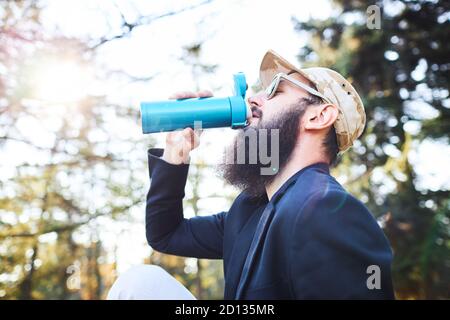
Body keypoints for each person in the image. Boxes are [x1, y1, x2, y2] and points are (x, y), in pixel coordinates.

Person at [107, 49, 395, 300]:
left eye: (277, 91)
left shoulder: (328, 210)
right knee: (140, 285)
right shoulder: (247, 212)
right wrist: (175, 154)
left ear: (318, 116)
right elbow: (166, 234)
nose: (255, 99)